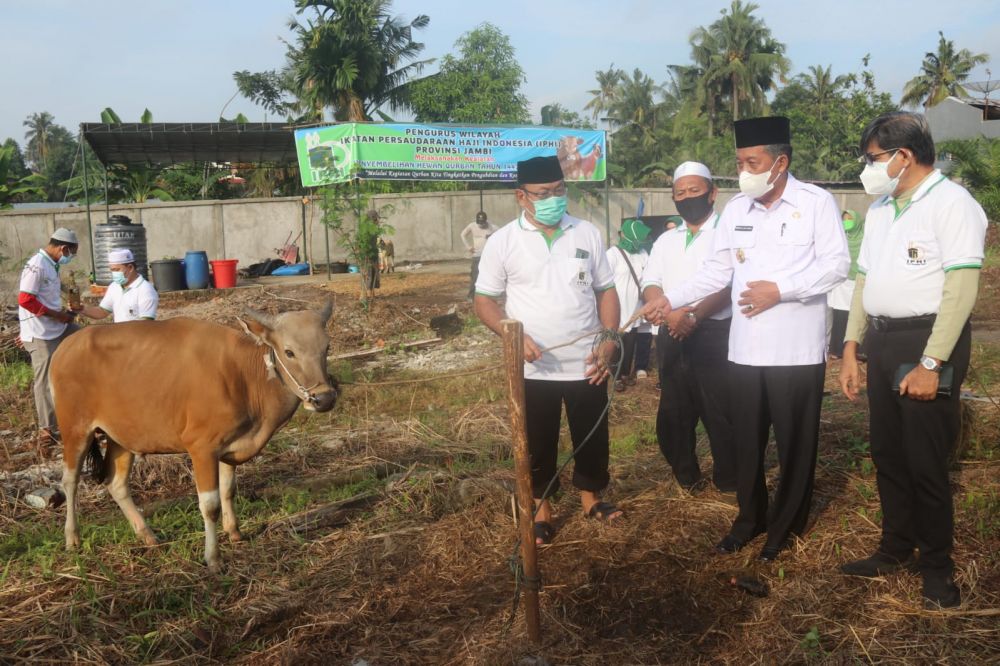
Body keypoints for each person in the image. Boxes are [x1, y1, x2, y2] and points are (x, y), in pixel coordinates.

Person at [644, 117, 849, 561]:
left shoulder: (815, 203)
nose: (745, 171)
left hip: (795, 350)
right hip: (745, 351)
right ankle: (749, 518)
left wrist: (781, 289)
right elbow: (718, 270)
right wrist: (669, 299)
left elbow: (836, 265)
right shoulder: (737, 209)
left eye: (752, 162)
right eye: (739, 162)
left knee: (795, 445)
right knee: (746, 442)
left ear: (780, 162)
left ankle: (784, 527)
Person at [839, 112, 986, 609]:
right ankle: (895, 547)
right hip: (883, 342)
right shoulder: (882, 207)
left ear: (904, 156)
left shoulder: (952, 203)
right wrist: (851, 348)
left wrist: (931, 363)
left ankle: (938, 568)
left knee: (925, 459)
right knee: (887, 451)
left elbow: (961, 289)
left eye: (873, 157)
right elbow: (864, 283)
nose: (868, 167)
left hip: (927, 341)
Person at [474, 155, 623, 545]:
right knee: (537, 439)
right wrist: (512, 335)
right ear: (521, 196)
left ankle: (592, 499)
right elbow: (485, 301)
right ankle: (541, 510)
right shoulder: (503, 241)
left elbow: (606, 289)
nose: (553, 199)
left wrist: (609, 339)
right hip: (533, 364)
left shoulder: (586, 232)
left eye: (559, 191)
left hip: (587, 360)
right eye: (543, 194)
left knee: (592, 434)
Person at [641, 161, 736, 493]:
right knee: (674, 411)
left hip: (714, 334)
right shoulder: (667, 240)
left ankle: (729, 479)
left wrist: (694, 316)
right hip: (670, 334)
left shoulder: (730, 232)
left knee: (721, 410)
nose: (687, 198)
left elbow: (729, 285)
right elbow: (651, 282)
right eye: (680, 193)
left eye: (694, 191)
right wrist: (670, 316)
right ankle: (686, 475)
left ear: (713, 193)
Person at [17, 228, 83, 444]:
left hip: (56, 326)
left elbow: (48, 293)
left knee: (87, 343)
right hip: (41, 332)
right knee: (45, 380)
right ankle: (47, 430)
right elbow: (26, 299)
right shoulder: (37, 265)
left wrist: (67, 308)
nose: (69, 257)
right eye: (70, 253)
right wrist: (57, 315)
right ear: (63, 248)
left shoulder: (51, 264)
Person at [606, 218, 653, 391]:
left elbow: (648, 276)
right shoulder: (612, 254)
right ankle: (616, 376)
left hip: (635, 306)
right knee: (617, 343)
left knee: (630, 342)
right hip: (618, 307)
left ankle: (625, 373)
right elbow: (605, 282)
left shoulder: (642, 254)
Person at [76, 249, 159, 322]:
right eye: (112, 270)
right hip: (118, 337)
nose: (114, 274)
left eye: (117, 270)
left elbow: (146, 324)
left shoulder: (146, 290)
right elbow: (102, 312)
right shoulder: (114, 286)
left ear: (130, 268)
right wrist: (82, 309)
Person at [827, 210, 864, 358]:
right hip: (842, 282)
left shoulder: (865, 238)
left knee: (858, 315)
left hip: (860, 281)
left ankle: (859, 350)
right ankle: (837, 349)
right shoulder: (839, 238)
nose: (846, 223)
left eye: (850, 220)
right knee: (840, 315)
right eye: (844, 220)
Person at [460, 211, 498, 298]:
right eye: (479, 222)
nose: (481, 225)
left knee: (490, 276)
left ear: (486, 220)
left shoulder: (491, 227)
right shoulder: (472, 226)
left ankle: (489, 295)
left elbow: (502, 233)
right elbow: (462, 235)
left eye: (483, 222)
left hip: (488, 256)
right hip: (477, 255)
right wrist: (468, 247)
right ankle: (471, 296)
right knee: (475, 275)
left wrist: (492, 236)